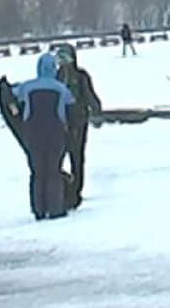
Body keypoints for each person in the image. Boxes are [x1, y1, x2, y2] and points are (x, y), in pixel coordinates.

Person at [10, 53, 75, 221]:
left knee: (37, 172)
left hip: (33, 134)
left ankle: (38, 209)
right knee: (53, 171)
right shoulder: (61, 89)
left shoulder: (27, 87)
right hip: (55, 134)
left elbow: (12, 93)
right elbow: (71, 108)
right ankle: (55, 208)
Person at [53, 44, 103, 207]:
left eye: (65, 57)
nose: (62, 61)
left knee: (77, 157)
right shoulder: (55, 76)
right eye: (60, 58)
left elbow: (89, 94)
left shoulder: (80, 76)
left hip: (78, 122)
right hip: (60, 123)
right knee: (57, 158)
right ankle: (61, 189)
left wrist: (96, 111)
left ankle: (76, 190)